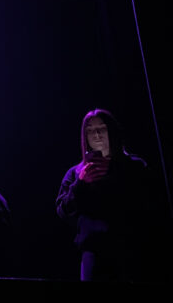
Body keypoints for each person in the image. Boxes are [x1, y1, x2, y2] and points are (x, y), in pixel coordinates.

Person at [56, 108, 152, 282]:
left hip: (131, 249)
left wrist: (114, 172)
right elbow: (63, 211)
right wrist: (80, 184)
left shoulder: (134, 166)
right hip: (94, 254)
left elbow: (146, 203)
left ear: (112, 131)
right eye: (90, 130)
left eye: (102, 128)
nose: (96, 135)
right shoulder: (75, 173)